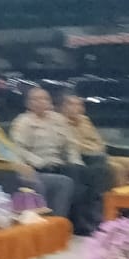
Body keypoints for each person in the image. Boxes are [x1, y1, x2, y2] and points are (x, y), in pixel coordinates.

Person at [10, 89, 103, 234]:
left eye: (45, 99)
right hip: (39, 166)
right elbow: (19, 149)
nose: (41, 102)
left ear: (50, 102)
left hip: (60, 164)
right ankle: (77, 224)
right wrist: (39, 162)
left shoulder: (58, 120)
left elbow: (70, 145)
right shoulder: (23, 122)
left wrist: (75, 162)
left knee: (89, 174)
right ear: (28, 103)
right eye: (36, 99)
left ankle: (93, 221)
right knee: (73, 180)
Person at [0, 104, 73, 219]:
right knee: (36, 184)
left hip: (24, 169)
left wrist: (24, 164)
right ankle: (40, 223)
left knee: (64, 182)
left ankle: (56, 222)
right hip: (7, 174)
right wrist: (14, 167)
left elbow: (14, 151)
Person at [60, 95, 129, 188]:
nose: (76, 108)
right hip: (86, 159)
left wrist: (98, 148)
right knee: (118, 168)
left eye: (79, 105)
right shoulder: (60, 123)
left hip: (101, 155)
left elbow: (99, 141)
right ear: (63, 107)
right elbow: (74, 146)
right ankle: (120, 196)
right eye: (71, 104)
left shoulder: (85, 120)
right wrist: (93, 149)